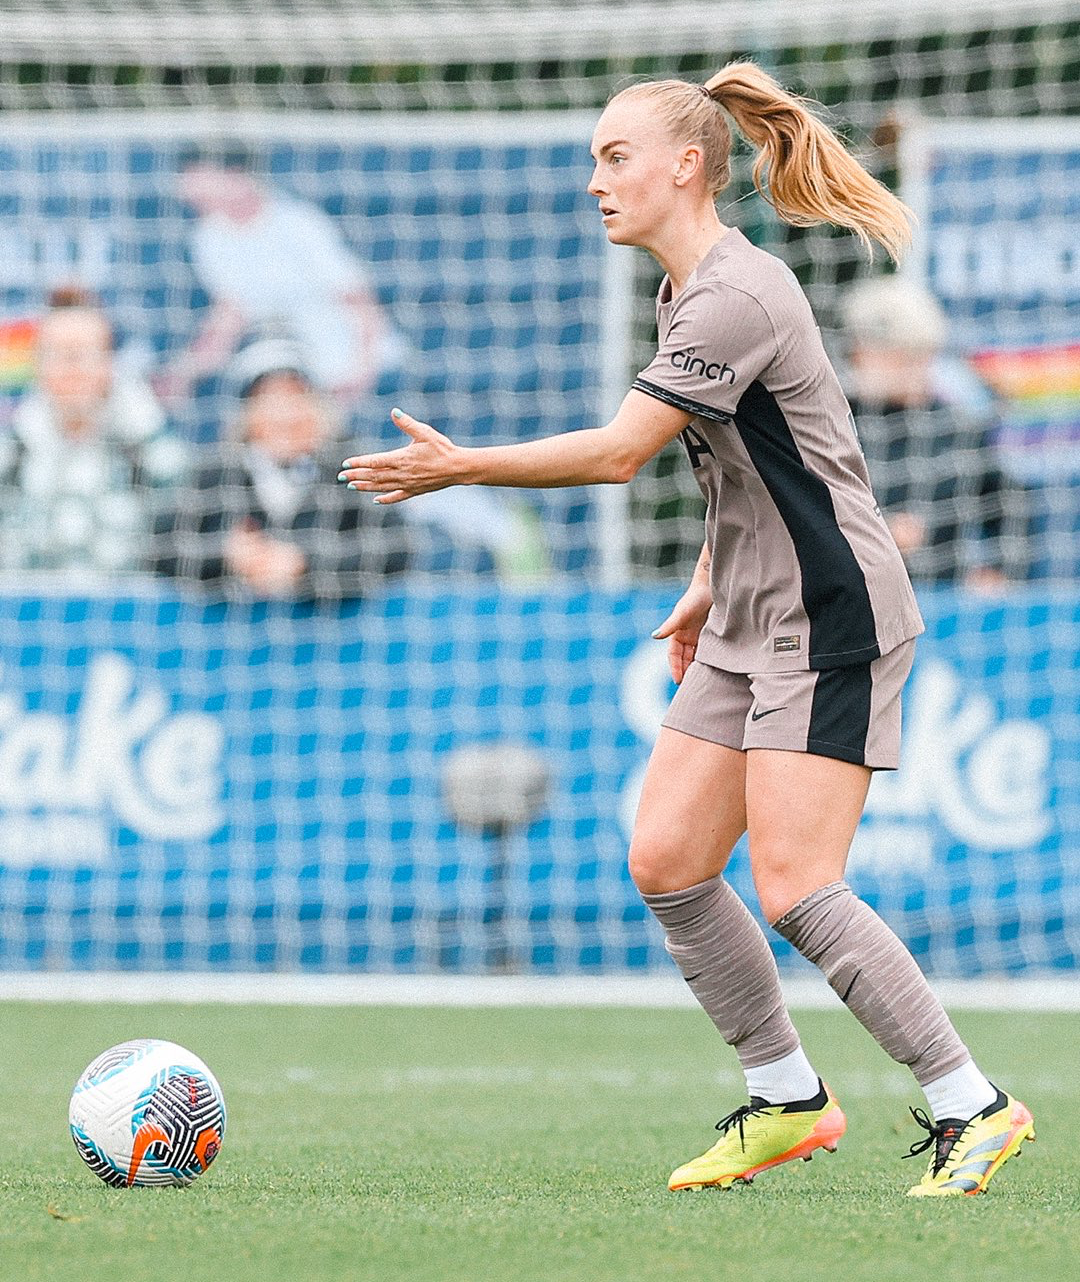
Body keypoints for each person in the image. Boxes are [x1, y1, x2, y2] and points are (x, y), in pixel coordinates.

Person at [339, 63, 1034, 1198]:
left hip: (830, 611)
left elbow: (624, 453)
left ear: (686, 167)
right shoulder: (687, 292)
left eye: (615, 158)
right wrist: (711, 577)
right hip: (749, 611)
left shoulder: (733, 293)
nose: (597, 181)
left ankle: (974, 1102)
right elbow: (765, 456)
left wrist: (462, 465)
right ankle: (787, 1098)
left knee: (800, 883)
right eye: (595, 160)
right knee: (665, 859)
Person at [153, 336, 409, 601]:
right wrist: (228, 555)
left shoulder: (350, 468)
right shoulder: (214, 473)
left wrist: (304, 562)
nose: (285, 416)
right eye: (270, 399)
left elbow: (397, 547)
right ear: (247, 413)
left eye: (296, 397)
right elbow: (159, 549)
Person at [158, 150, 404, 408]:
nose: (189, 191)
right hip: (300, 379)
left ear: (234, 175)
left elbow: (359, 300)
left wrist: (362, 370)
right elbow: (230, 318)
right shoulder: (208, 237)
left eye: (198, 178)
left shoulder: (299, 222)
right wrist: (180, 375)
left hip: (363, 371)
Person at [841, 275, 1022, 588]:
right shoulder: (835, 424)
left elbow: (1011, 507)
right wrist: (872, 536)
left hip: (940, 608)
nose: (858, 359)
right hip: (854, 606)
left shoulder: (958, 429)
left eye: (921, 357)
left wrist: (999, 572)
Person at [0, 286, 187, 578]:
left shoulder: (152, 456)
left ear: (109, 362)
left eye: (85, 354)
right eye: (60, 354)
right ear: (38, 365)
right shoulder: (11, 455)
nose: (73, 369)